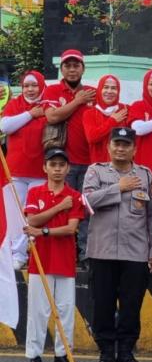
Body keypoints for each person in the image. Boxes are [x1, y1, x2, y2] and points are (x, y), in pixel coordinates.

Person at [83, 127, 152, 362]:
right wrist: (119, 187)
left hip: (135, 251)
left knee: (131, 305)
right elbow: (87, 202)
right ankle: (106, 353)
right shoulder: (95, 171)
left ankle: (126, 352)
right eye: (116, 143)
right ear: (108, 147)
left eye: (126, 144)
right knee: (103, 305)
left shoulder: (147, 176)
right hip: (102, 251)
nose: (120, 148)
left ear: (134, 149)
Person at [23, 147, 86, 362]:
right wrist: (59, 207)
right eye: (53, 164)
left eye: (61, 165)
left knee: (65, 310)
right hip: (40, 260)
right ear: (45, 168)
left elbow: (71, 228)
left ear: (68, 168)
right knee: (38, 311)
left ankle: (62, 356)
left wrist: (44, 232)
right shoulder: (35, 192)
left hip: (65, 260)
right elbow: (32, 219)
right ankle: (34, 356)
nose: (57, 169)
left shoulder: (75, 195)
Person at [43, 49, 94, 262]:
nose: (72, 70)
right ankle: (64, 254)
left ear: (83, 68)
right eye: (68, 66)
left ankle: (85, 253)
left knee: (86, 210)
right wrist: (77, 101)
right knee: (63, 209)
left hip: (91, 163)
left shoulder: (93, 91)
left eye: (76, 65)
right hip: (64, 163)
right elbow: (52, 116)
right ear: (61, 69)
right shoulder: (53, 90)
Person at [0, 70, 48, 268]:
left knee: (34, 215)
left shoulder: (49, 105)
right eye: (27, 85)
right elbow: (5, 126)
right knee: (16, 214)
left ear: (41, 85)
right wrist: (31, 113)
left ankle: (27, 252)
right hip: (17, 171)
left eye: (34, 85)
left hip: (41, 171)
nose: (30, 89)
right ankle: (17, 254)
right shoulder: (16, 104)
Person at [83, 74, 129, 164]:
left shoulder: (126, 110)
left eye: (113, 88)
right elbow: (91, 137)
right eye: (106, 87)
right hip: (99, 167)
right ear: (100, 90)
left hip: (123, 166)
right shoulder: (90, 113)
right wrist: (112, 121)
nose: (109, 91)